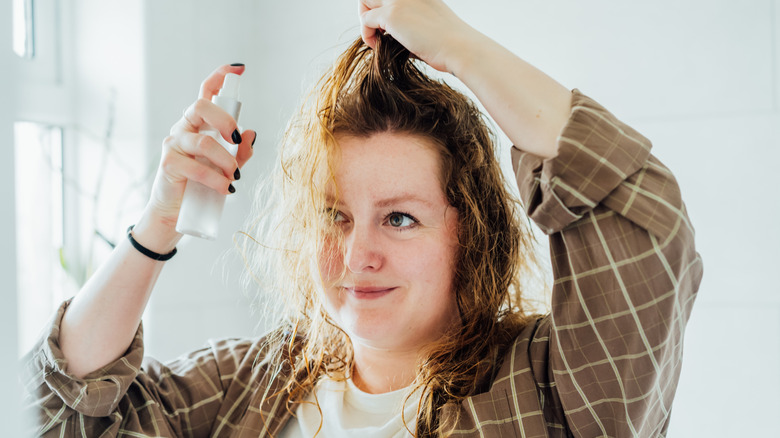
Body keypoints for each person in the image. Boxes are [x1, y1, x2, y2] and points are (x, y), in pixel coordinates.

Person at [22, 0, 702, 436]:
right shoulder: (255, 385)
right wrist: (158, 221)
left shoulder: (552, 388)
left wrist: (459, 47)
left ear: (470, 232)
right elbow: (56, 411)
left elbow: (640, 219)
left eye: (399, 218)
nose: (356, 256)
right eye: (336, 215)